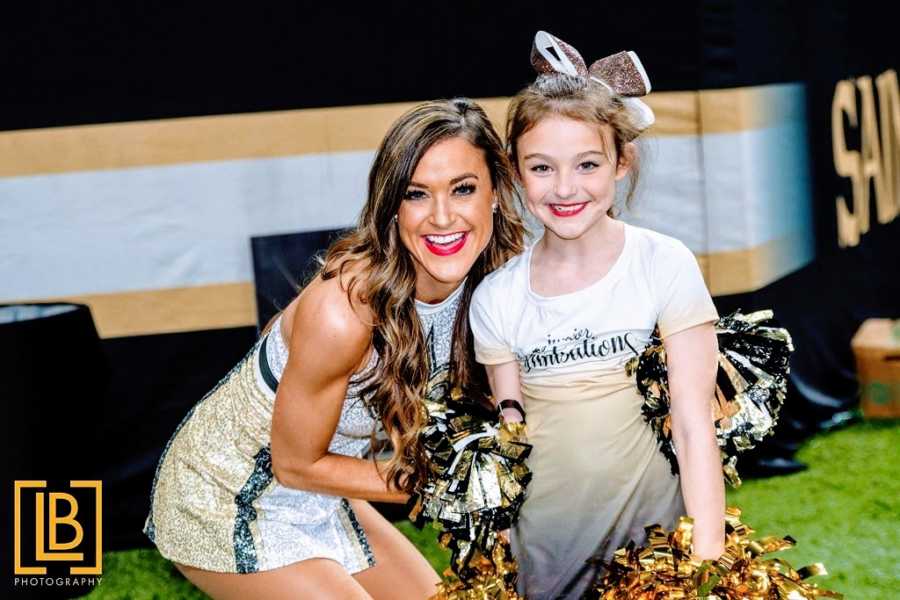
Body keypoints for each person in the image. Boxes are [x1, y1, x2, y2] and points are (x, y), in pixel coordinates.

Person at [144, 97, 525, 600]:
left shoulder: (501, 283)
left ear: (495, 192)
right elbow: (294, 465)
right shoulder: (345, 309)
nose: (442, 216)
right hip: (226, 494)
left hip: (323, 492)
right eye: (416, 194)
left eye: (463, 189)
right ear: (392, 205)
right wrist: (447, 486)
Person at [469, 32, 725, 599]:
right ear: (514, 171)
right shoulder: (496, 298)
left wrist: (708, 553)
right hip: (547, 551)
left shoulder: (664, 264)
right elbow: (511, 438)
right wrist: (507, 559)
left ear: (621, 163)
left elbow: (692, 422)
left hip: (654, 555)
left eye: (587, 164)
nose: (565, 188)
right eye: (541, 167)